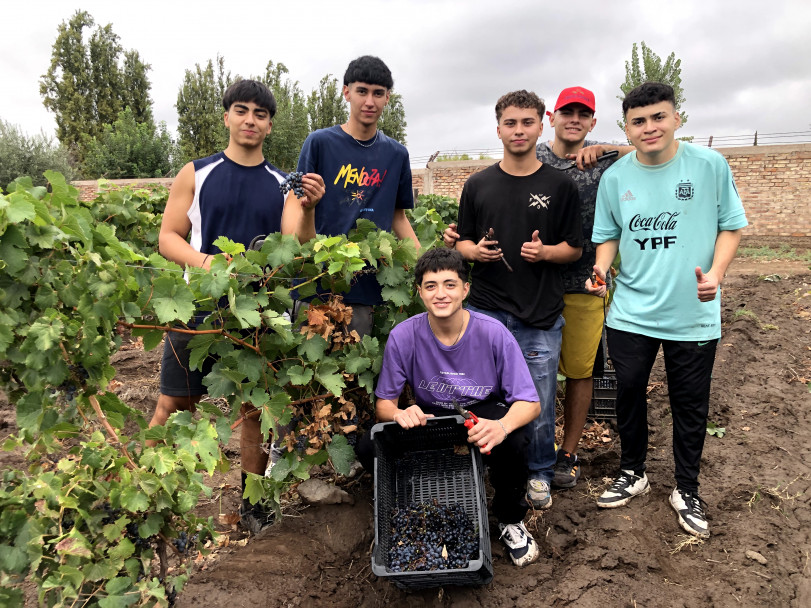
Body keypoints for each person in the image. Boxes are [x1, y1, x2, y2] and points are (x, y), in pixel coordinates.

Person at [148, 79, 325, 534]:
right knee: (175, 402)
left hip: (259, 312)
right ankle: (154, 491)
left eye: (260, 114)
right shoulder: (196, 172)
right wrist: (206, 261)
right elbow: (168, 237)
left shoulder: (282, 183)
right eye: (242, 111)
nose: (250, 120)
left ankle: (253, 501)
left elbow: (296, 243)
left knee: (255, 411)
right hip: (199, 307)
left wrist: (307, 208)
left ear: (269, 125)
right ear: (226, 116)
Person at [587, 82, 747, 538]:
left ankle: (687, 488)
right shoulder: (616, 178)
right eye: (639, 121)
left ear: (677, 118)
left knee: (689, 404)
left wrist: (716, 275)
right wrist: (601, 269)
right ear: (627, 128)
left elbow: (731, 227)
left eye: (658, 117)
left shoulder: (709, 165)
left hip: (693, 313)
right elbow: (609, 234)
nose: (649, 127)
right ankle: (632, 471)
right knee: (629, 393)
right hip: (631, 312)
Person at [357, 247, 541, 567]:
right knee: (368, 444)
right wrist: (401, 413)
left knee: (517, 438)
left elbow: (530, 402)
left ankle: (510, 519)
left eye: (450, 284)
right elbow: (384, 405)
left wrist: (500, 426)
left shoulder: (493, 333)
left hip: (483, 412)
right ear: (420, 293)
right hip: (433, 416)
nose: (440, 294)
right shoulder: (404, 336)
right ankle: (406, 506)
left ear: (465, 289)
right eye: (431, 286)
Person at [454, 90, 583, 511]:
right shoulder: (479, 184)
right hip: (486, 311)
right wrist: (473, 252)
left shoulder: (559, 185)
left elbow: (575, 249)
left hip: (539, 315)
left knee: (538, 402)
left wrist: (546, 252)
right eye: (510, 123)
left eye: (527, 122)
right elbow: (463, 242)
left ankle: (540, 472)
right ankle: (486, 467)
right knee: (482, 395)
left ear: (541, 126)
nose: (519, 130)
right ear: (498, 129)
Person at [535, 87, 633, 489]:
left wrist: (610, 145)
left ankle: (568, 453)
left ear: (592, 122)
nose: (574, 119)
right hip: (536, 282)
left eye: (584, 114)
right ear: (551, 117)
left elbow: (654, 152)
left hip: (585, 282)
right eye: (567, 112)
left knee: (579, 372)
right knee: (534, 371)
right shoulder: (534, 155)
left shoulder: (606, 157)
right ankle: (533, 447)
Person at [281, 55, 419, 337]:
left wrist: (427, 266)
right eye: (362, 91)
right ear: (347, 92)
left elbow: (398, 218)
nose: (370, 101)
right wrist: (308, 211)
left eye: (378, 93)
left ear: (387, 98)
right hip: (316, 285)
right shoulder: (319, 143)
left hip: (367, 289)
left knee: (354, 377)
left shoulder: (396, 155)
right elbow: (297, 212)